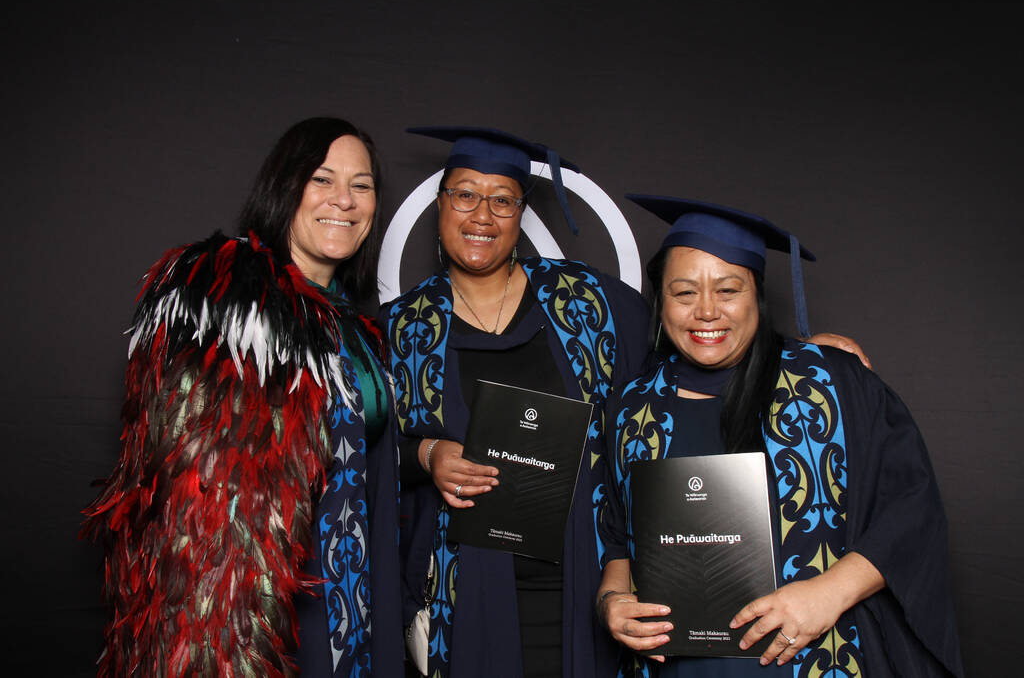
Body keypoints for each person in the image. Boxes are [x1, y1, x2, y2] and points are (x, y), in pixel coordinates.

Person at [82, 117, 403, 676]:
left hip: (348, 596)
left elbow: (365, 457)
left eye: (362, 185)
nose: (344, 200)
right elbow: (195, 488)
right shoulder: (224, 299)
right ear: (284, 187)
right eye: (322, 179)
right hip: (253, 606)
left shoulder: (357, 328)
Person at [596, 195, 964, 677]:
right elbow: (618, 538)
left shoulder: (832, 384)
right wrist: (612, 601)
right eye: (684, 293)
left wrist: (829, 594)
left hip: (817, 660)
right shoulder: (633, 407)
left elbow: (911, 510)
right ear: (661, 302)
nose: (706, 311)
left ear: (757, 295)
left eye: (728, 290)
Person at [382, 126, 653, 678]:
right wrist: (428, 455)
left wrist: (799, 354)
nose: (482, 215)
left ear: (521, 213)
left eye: (502, 200)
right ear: (441, 204)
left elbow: (692, 351)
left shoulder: (590, 304)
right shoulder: (402, 329)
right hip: (467, 591)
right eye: (465, 194)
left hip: (587, 586)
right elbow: (364, 453)